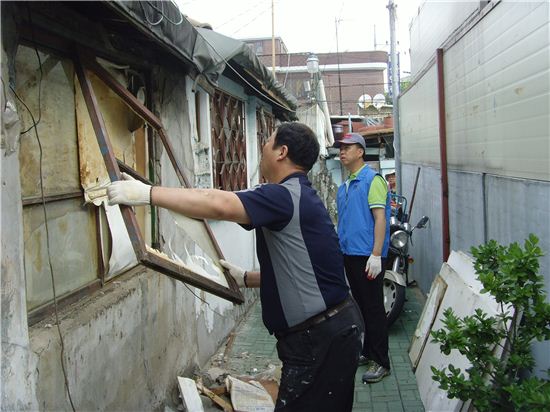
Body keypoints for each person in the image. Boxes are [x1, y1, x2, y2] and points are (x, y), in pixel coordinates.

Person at [108, 122, 365, 411]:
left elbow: (217, 203)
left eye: (267, 142)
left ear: (282, 152)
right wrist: (245, 278)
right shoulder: (295, 195)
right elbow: (301, 269)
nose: (262, 149)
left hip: (321, 338)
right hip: (331, 331)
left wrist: (145, 194)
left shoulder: (283, 196)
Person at [335, 133, 392, 384]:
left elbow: (380, 218)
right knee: (360, 308)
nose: (342, 152)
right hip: (350, 255)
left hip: (368, 257)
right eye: (341, 149)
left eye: (347, 148)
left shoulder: (373, 180)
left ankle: (381, 361)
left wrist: (377, 254)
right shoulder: (345, 185)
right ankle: (368, 352)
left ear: (360, 151)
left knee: (374, 309)